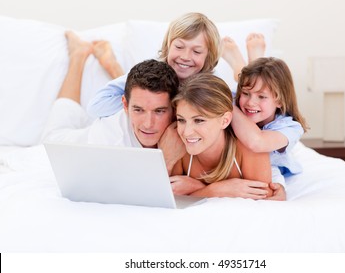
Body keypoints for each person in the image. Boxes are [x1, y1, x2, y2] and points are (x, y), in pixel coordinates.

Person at [41, 31, 184, 174]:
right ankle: (78, 55)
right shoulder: (111, 141)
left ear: (174, 109)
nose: (148, 124)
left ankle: (111, 64)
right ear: (125, 106)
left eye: (159, 111)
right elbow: (136, 191)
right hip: (67, 142)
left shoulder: (185, 127)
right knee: (65, 111)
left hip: (100, 126)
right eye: (138, 110)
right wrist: (167, 160)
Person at [86, 12, 221, 118]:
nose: (185, 57)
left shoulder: (210, 86)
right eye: (179, 47)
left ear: (208, 57)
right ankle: (111, 65)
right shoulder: (151, 72)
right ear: (168, 46)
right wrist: (148, 105)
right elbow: (96, 106)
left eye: (196, 51)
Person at [170, 73, 273, 199]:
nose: (186, 132)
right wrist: (214, 190)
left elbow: (266, 201)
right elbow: (171, 200)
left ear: (225, 120)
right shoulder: (177, 146)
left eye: (199, 120)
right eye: (181, 120)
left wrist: (200, 190)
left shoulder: (249, 148)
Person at [232, 57, 309, 193]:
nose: (251, 102)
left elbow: (257, 143)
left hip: (271, 165)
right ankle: (245, 61)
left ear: (279, 100)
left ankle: (241, 61)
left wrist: (228, 106)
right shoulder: (235, 100)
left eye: (261, 97)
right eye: (245, 94)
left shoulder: (290, 128)